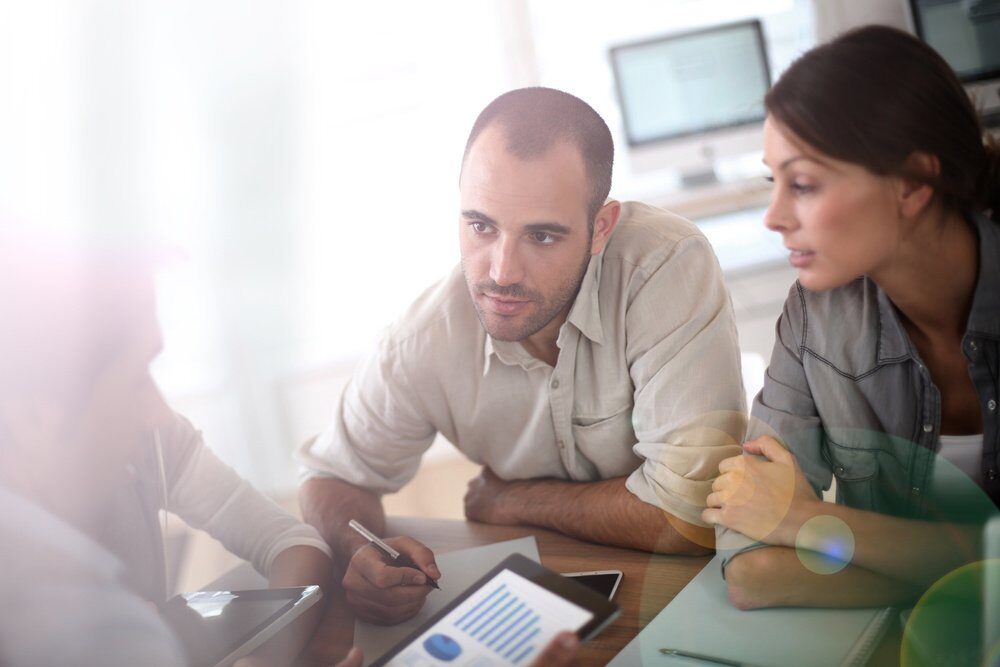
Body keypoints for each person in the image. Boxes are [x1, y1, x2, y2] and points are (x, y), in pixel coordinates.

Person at [299, 86, 746, 625]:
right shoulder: (421, 340)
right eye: (480, 226)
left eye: (542, 235)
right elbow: (331, 479)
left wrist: (513, 500)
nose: (501, 271)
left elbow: (689, 517)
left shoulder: (663, 266)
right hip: (540, 603)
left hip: (694, 604)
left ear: (601, 227)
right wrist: (359, 550)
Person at [702, 25, 1000, 610]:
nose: (774, 216)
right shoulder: (813, 317)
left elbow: (784, 556)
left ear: (912, 184)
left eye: (804, 183)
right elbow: (751, 569)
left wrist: (807, 522)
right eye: (773, 180)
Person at [0, 237, 335, 666]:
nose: (158, 413)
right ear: (30, 414)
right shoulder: (83, 621)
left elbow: (291, 541)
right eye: (137, 377)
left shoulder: (149, 445)